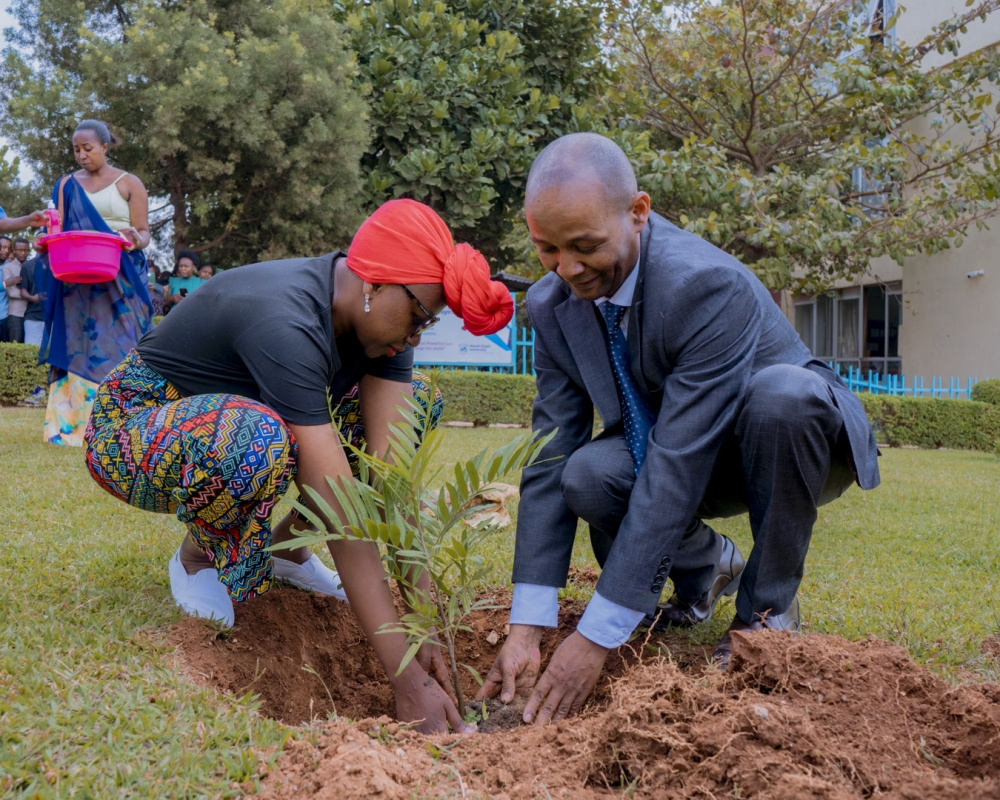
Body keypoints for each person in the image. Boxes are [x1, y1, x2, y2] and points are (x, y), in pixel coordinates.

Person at [477, 133, 880, 725]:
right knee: (586, 473)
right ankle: (706, 566)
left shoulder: (704, 285)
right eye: (548, 249)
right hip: (686, 445)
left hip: (787, 441)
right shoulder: (551, 304)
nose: (568, 268)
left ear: (638, 212)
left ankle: (765, 618)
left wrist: (595, 638)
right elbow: (549, 455)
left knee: (782, 395)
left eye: (585, 245)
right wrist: (527, 625)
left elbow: (676, 464)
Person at [83, 198, 513, 734]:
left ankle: (288, 550)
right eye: (419, 317)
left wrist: (425, 633)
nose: (417, 336)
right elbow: (343, 510)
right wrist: (406, 683)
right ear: (374, 285)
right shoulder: (286, 318)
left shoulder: (385, 329)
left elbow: (389, 482)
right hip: (133, 427)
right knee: (254, 438)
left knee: (416, 400)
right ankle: (199, 557)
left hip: (231, 419)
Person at [39, 119, 152, 446]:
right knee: (77, 343)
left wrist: (134, 240)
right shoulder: (65, 185)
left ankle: (124, 427)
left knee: (124, 342)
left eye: (87, 148)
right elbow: (56, 228)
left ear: (105, 147)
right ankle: (70, 429)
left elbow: (144, 233)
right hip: (76, 278)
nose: (81, 155)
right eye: (76, 149)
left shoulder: (129, 183)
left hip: (121, 275)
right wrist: (44, 239)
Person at [3, 237, 32, 343]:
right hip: (15, 314)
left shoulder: (32, 267)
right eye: (20, 250)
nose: (23, 253)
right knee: (16, 345)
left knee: (30, 346)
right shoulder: (8, 268)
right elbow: (11, 292)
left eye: (26, 250)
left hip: (31, 314)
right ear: (14, 250)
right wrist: (31, 296)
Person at [19, 249, 46, 346]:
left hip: (53, 318)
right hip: (33, 318)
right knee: (31, 354)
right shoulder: (28, 265)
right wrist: (32, 298)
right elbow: (22, 291)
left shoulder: (57, 264)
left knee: (52, 356)